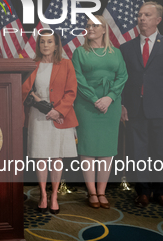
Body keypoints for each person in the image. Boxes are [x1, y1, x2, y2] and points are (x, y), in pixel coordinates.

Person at [120, 2, 163, 209]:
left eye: (147, 15)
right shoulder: (126, 47)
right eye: (140, 15)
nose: (142, 18)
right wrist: (121, 105)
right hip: (135, 110)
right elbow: (122, 79)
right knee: (138, 152)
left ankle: (161, 192)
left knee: (161, 152)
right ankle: (143, 192)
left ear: (158, 20)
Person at [72, 15, 127, 209]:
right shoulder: (79, 52)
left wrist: (110, 97)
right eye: (88, 26)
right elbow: (78, 79)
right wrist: (95, 99)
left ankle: (102, 191)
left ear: (104, 29)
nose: (91, 28)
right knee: (87, 149)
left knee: (107, 150)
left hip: (111, 105)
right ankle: (92, 192)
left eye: (95, 25)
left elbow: (122, 76)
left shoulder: (116, 53)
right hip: (87, 106)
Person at [22, 32, 78, 215]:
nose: (45, 45)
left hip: (60, 115)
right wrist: (39, 103)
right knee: (40, 156)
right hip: (38, 115)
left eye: (49, 42)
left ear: (56, 45)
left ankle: (54, 195)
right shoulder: (32, 64)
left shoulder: (66, 63)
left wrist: (58, 111)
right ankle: (43, 195)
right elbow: (24, 90)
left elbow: (71, 91)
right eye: (42, 42)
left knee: (56, 157)